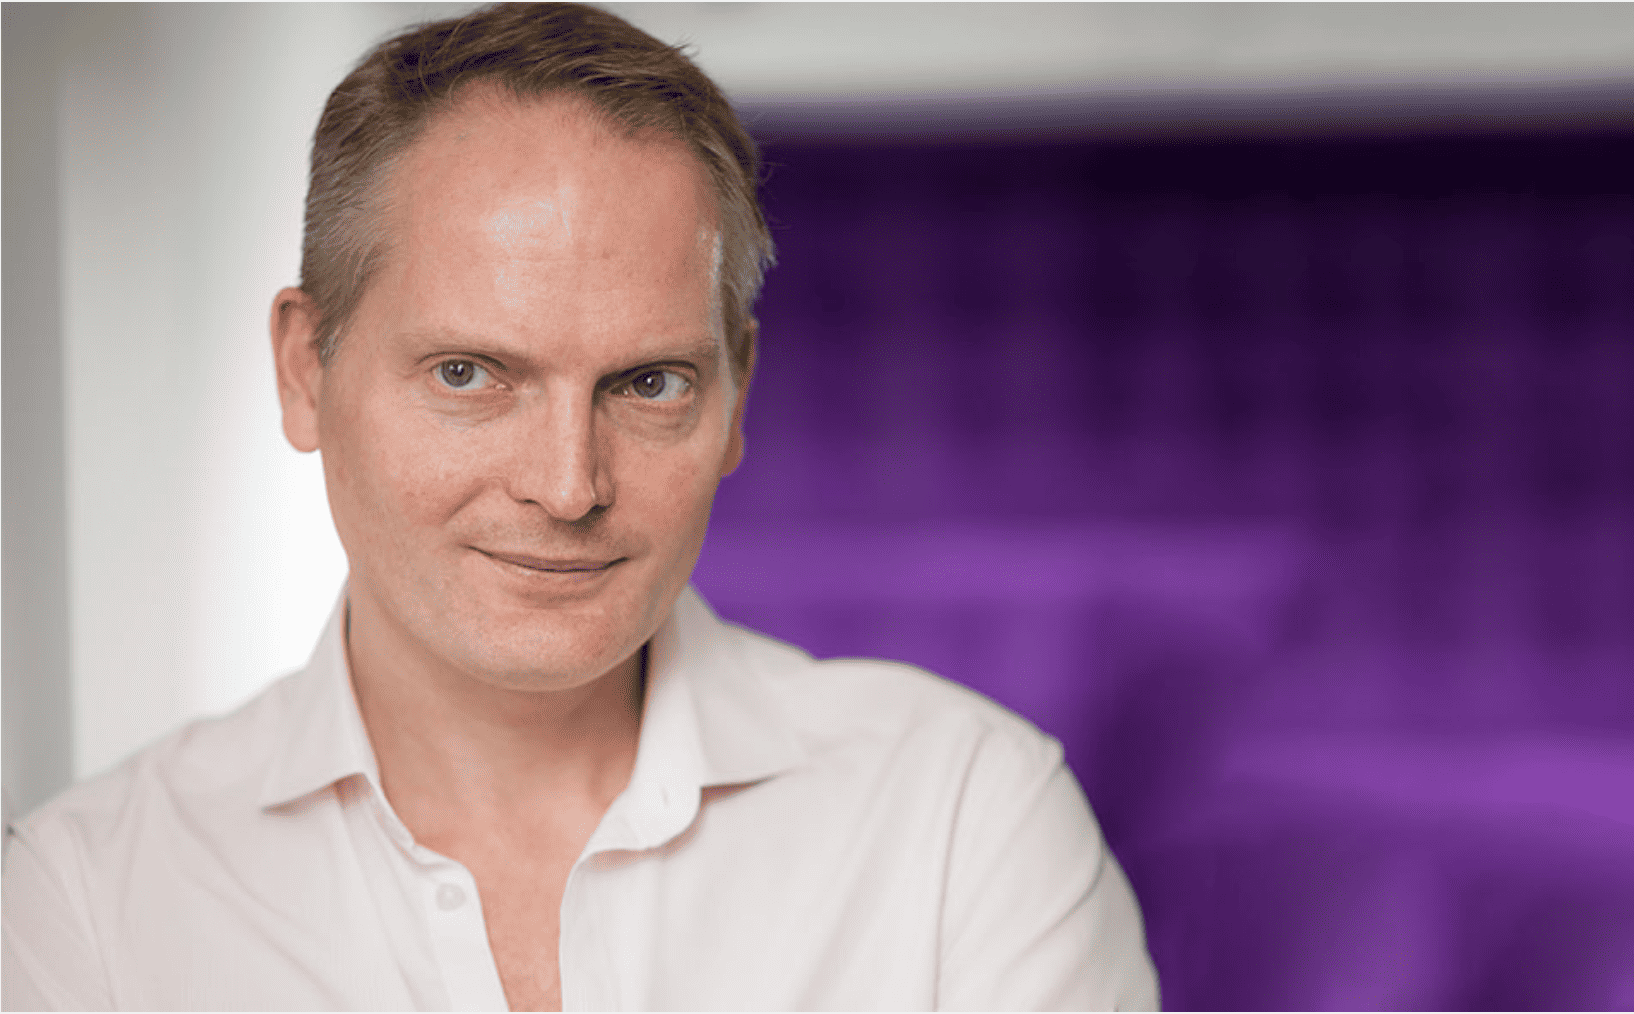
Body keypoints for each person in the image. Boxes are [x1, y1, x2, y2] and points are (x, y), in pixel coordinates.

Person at [1, 4, 1158, 1010]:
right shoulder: (87, 905)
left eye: (647, 385)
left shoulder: (962, 826)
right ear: (306, 370)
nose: (567, 487)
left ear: (736, 394)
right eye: (469, 374)